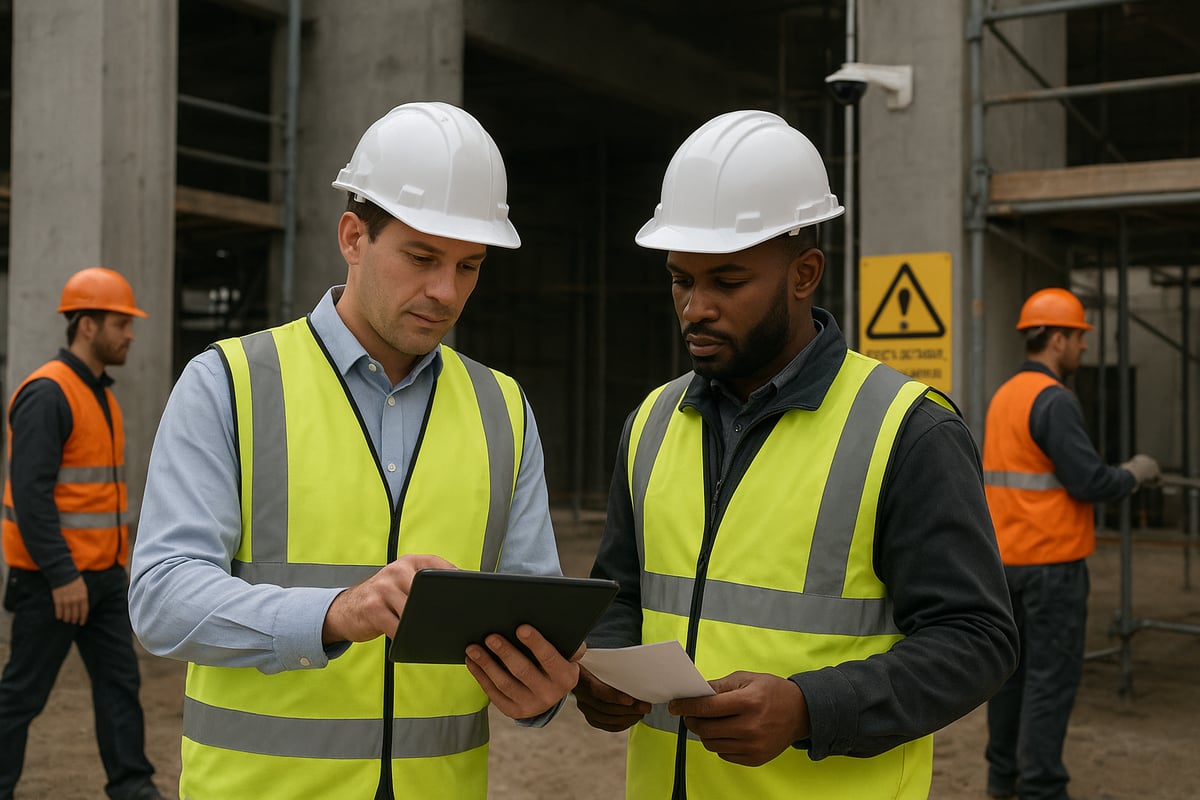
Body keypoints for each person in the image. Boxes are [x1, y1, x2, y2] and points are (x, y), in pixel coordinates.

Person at [127, 102, 579, 799]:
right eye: (422, 257)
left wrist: (539, 688)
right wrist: (335, 613)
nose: (445, 291)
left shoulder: (503, 410)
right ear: (353, 236)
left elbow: (532, 615)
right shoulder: (230, 384)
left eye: (470, 266)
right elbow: (162, 597)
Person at [572, 109, 1019, 799]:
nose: (694, 307)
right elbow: (620, 594)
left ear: (804, 273)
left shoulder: (907, 431)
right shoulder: (651, 424)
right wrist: (601, 670)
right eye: (680, 280)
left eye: (726, 281)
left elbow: (978, 639)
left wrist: (811, 708)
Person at [982, 287, 1159, 800]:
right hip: (1052, 566)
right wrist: (1135, 473)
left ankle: (1003, 781)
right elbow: (1090, 482)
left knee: (1010, 679)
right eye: (1079, 338)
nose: (1083, 348)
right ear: (1058, 339)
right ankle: (1041, 788)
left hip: (1007, 564)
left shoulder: (1005, 396)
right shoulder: (1054, 400)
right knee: (1049, 681)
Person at [0, 268, 163, 800]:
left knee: (121, 687)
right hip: (53, 582)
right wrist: (62, 575)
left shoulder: (101, 395)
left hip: (104, 579)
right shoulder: (49, 393)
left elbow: (96, 497)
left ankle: (133, 788)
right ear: (87, 326)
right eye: (121, 323)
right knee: (22, 697)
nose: (131, 334)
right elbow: (31, 497)